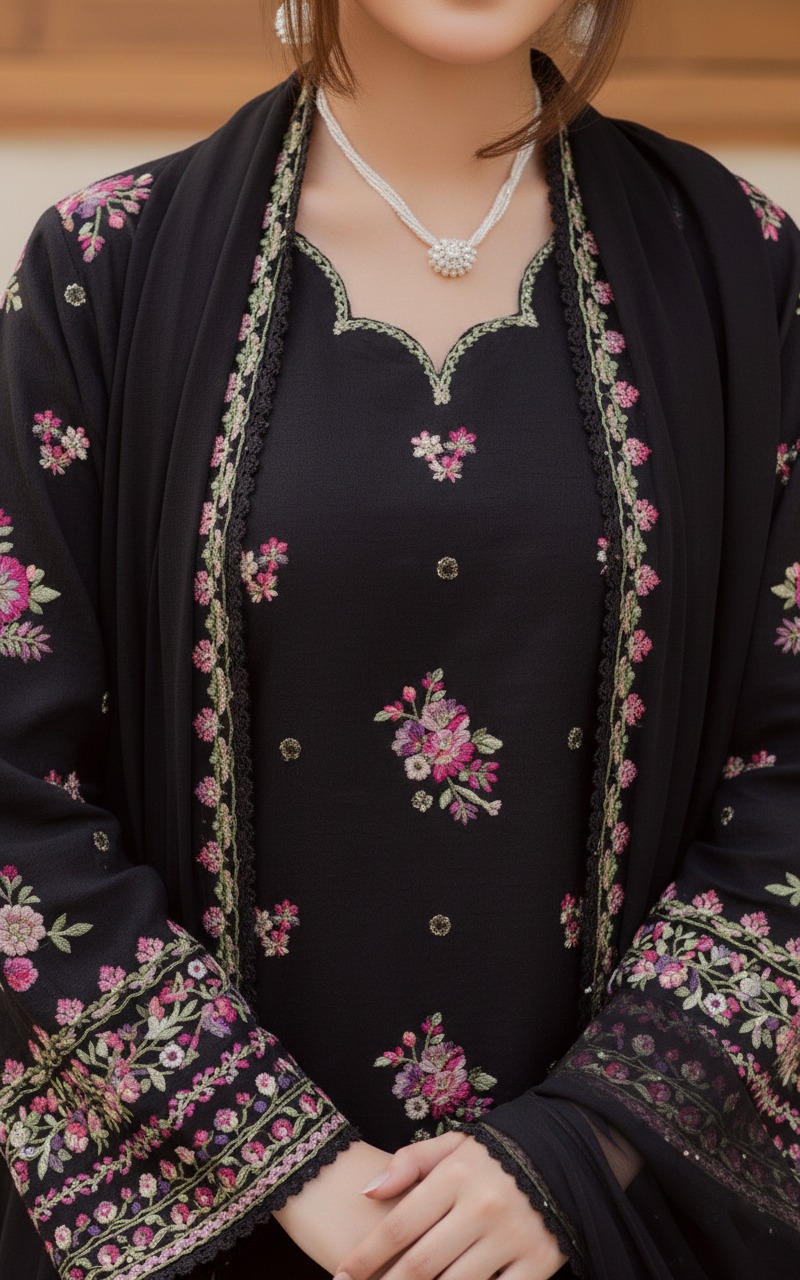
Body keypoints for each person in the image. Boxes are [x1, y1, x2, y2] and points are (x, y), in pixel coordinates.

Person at [1, 0, 799, 1276]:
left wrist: (582, 1145)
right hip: (223, 1228)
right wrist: (291, 1168)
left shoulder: (740, 272)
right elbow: (16, 791)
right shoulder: (104, 268)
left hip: (620, 1221)